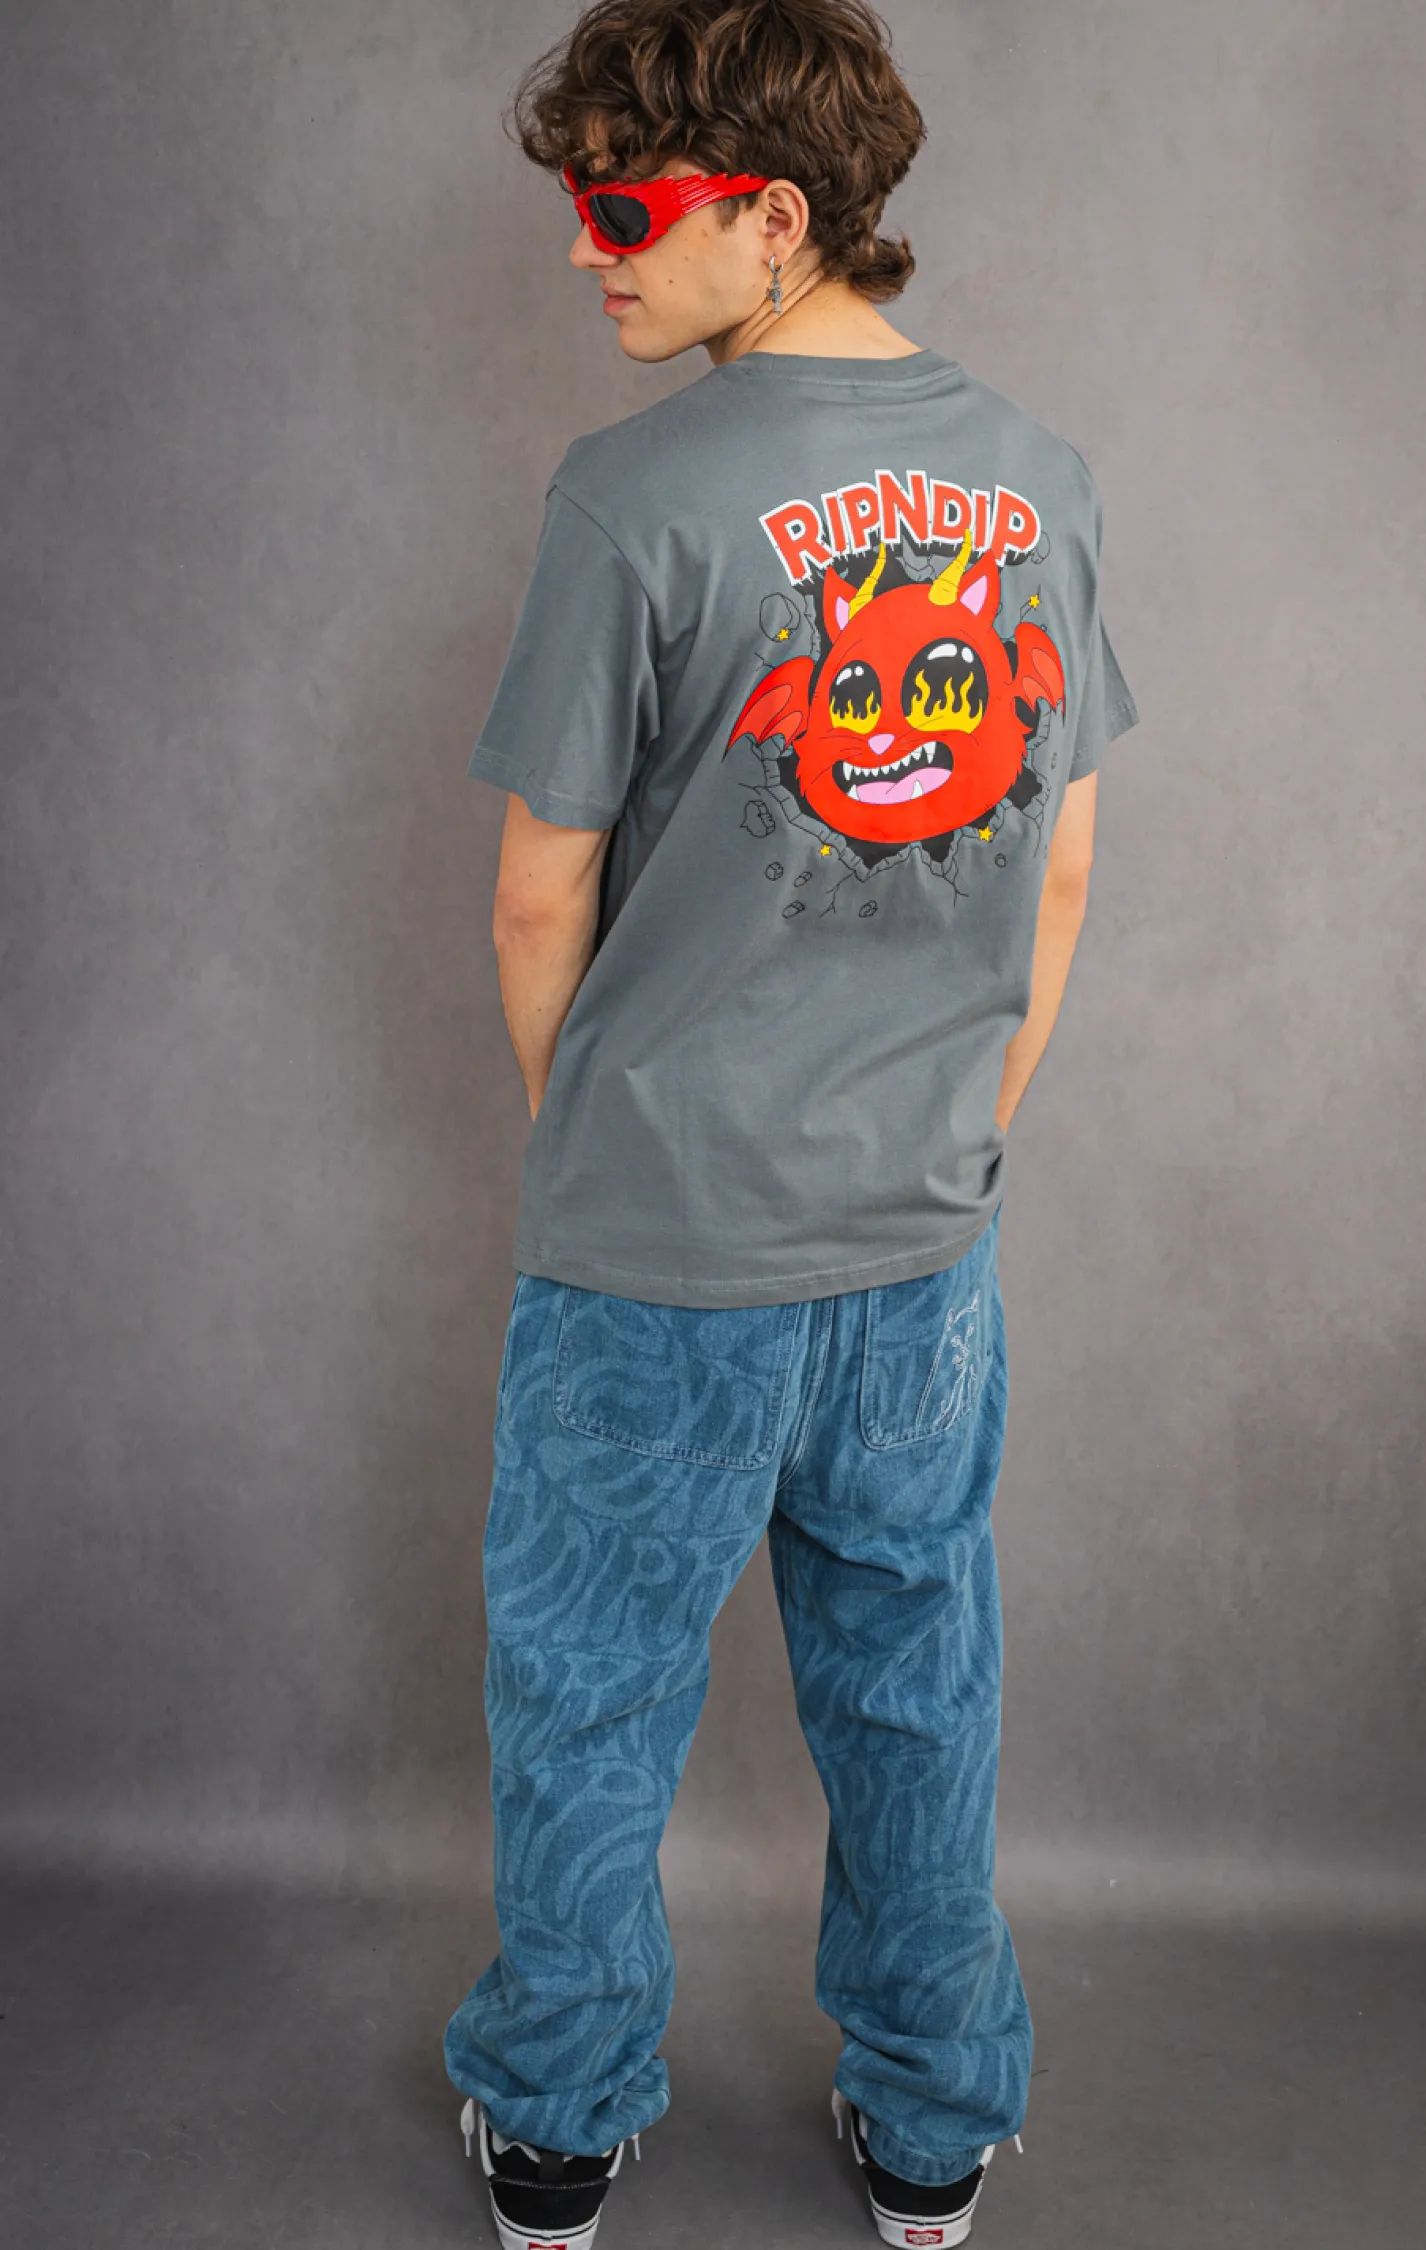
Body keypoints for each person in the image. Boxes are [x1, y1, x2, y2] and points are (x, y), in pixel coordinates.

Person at [444, 3, 1139, 2243]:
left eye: (622, 209)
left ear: (772, 214)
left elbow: (538, 890)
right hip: (925, 1247)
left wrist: (599, 1134)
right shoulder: (1040, 476)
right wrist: (958, 1127)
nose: (587, 252)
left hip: (654, 1253)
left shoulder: (627, 495)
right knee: (917, 1691)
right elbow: (1063, 869)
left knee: (587, 1701)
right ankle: (934, 2134)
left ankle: (559, 2130)